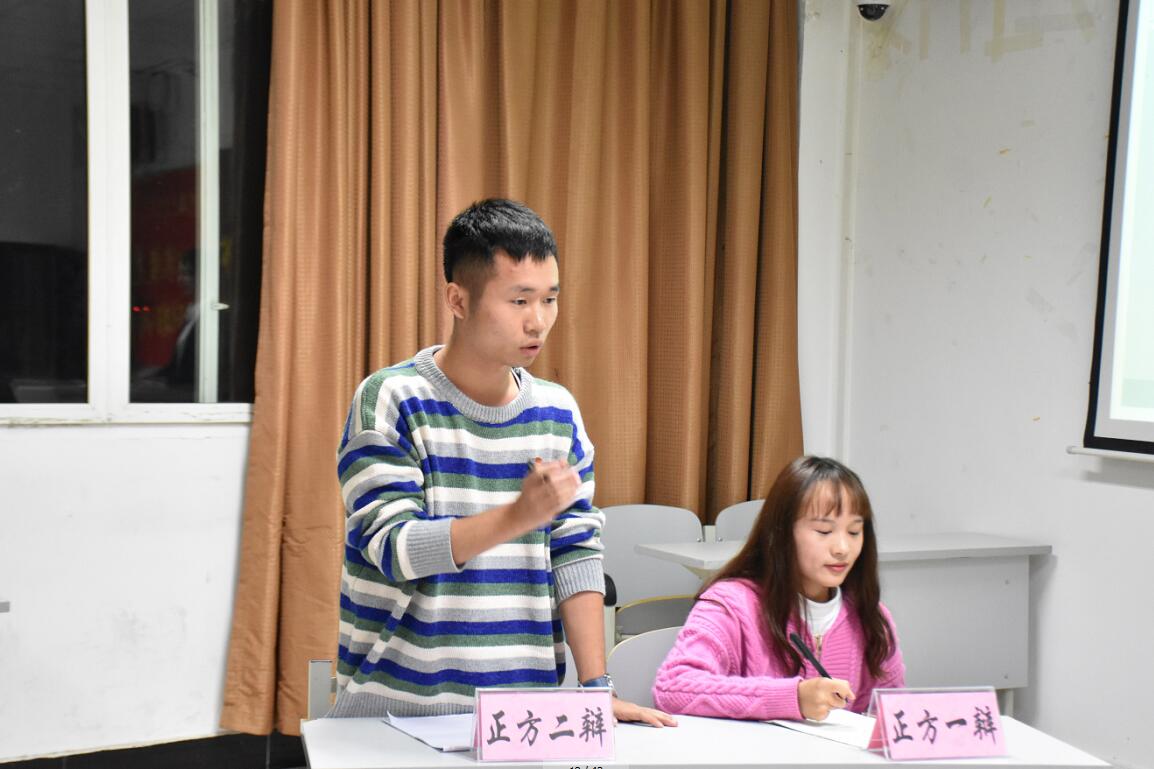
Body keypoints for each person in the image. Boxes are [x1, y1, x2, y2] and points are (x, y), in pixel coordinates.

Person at [332, 198, 675, 727]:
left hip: (521, 720)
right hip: (396, 713)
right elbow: (394, 548)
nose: (538, 321)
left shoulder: (557, 412)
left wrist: (595, 690)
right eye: (519, 300)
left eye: (549, 299)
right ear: (458, 299)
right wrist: (517, 517)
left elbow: (575, 551)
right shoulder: (391, 399)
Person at [652, 456, 904, 721]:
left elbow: (892, 714)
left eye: (854, 532)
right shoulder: (731, 604)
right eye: (823, 531)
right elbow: (672, 688)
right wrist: (791, 698)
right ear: (781, 532)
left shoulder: (871, 617)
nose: (842, 548)